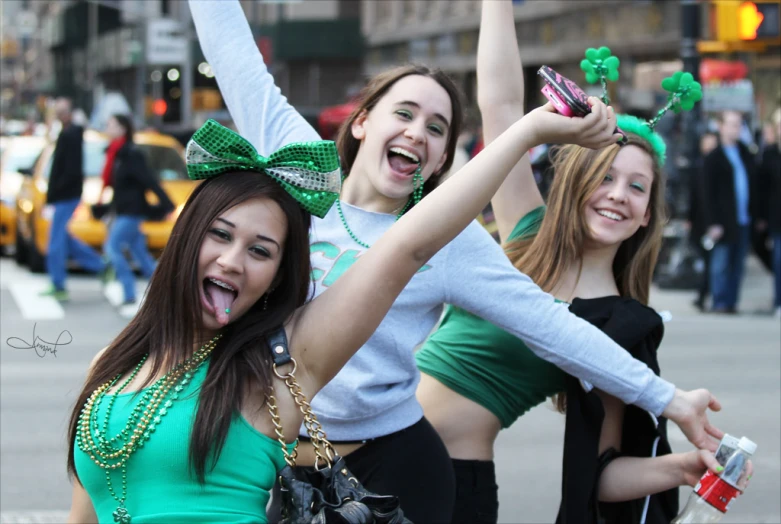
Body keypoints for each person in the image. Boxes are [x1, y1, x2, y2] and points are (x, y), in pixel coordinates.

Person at [190, 2, 724, 522]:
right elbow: (235, 56)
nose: (417, 133)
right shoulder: (300, 169)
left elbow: (552, 325)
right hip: (279, 459)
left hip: (394, 464)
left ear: (444, 158)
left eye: (437, 128)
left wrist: (670, 400)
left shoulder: (448, 237)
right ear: (360, 123)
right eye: (403, 113)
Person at [66, 79, 621, 521]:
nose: (234, 260)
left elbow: (408, 246)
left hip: (406, 464)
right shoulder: (111, 365)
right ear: (187, 237)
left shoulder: (272, 377)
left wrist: (524, 134)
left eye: (261, 251)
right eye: (219, 235)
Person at [416, 3, 732, 522]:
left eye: (637, 186)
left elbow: (601, 473)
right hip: (378, 443)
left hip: (456, 483)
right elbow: (499, 105)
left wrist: (682, 467)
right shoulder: (529, 230)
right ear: (577, 183)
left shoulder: (620, 323)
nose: (617, 196)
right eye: (605, 177)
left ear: (648, 212)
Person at [98, 114, 174, 312]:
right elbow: (118, 188)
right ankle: (168, 289)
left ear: (123, 129)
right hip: (124, 210)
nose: (108, 128)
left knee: (112, 247)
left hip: (132, 212)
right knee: (140, 253)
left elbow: (149, 180)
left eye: (111, 125)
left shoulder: (131, 154)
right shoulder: (116, 154)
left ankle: (129, 292)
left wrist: (166, 203)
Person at [41, 97, 106, 301]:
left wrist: (57, 191)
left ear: (70, 112)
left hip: (66, 195)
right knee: (63, 239)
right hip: (63, 195)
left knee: (55, 243)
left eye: (62, 112)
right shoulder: (66, 132)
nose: (59, 116)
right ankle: (103, 265)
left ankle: (58, 284)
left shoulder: (72, 134)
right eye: (57, 112)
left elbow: (69, 170)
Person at [701, 110, 758, 314]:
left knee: (737, 264)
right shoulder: (714, 157)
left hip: (743, 218)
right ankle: (720, 302)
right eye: (732, 124)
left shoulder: (745, 152)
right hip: (723, 221)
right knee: (721, 263)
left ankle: (732, 301)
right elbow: (707, 192)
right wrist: (713, 222)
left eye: (739, 124)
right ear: (721, 127)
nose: (736, 128)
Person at [689, 131, 720, 311]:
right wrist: (689, 218)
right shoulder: (698, 165)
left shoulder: (715, 165)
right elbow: (694, 195)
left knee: (711, 261)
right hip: (700, 220)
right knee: (706, 259)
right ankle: (703, 294)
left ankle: (705, 295)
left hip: (712, 221)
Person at [758, 108, 781, 317]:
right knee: (778, 261)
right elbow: (763, 188)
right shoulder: (770, 154)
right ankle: (778, 301)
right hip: (777, 218)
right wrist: (762, 216)